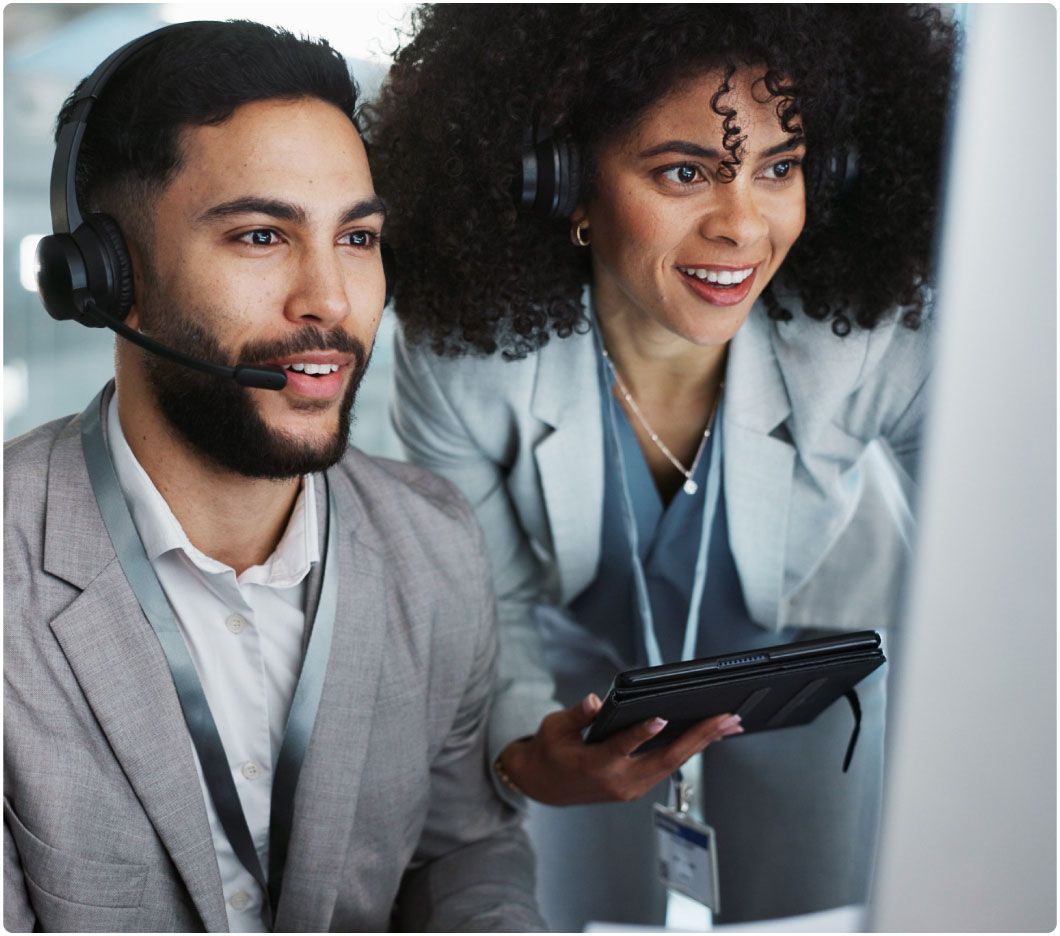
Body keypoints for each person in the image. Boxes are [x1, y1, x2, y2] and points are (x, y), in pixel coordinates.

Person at [368, 4, 958, 929]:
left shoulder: (875, 344)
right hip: (587, 702)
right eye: (685, 171)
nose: (743, 226)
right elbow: (492, 609)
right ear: (561, 179)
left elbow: (1004, 566)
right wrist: (528, 752)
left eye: (781, 168)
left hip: (814, 697)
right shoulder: (464, 367)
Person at [3, 20, 545, 933]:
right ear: (106, 278)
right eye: (261, 236)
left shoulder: (435, 543)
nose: (331, 300)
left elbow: (460, 850)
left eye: (359, 239)